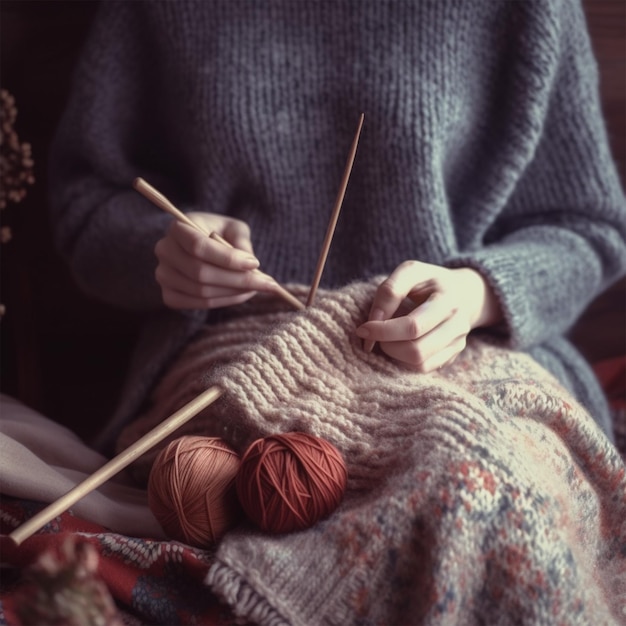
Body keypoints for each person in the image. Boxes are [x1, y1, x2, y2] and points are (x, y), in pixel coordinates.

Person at [48, 0, 626, 452]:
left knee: (474, 480)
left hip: (466, 356)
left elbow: (588, 227)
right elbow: (86, 203)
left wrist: (476, 293)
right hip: (243, 351)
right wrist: (160, 251)